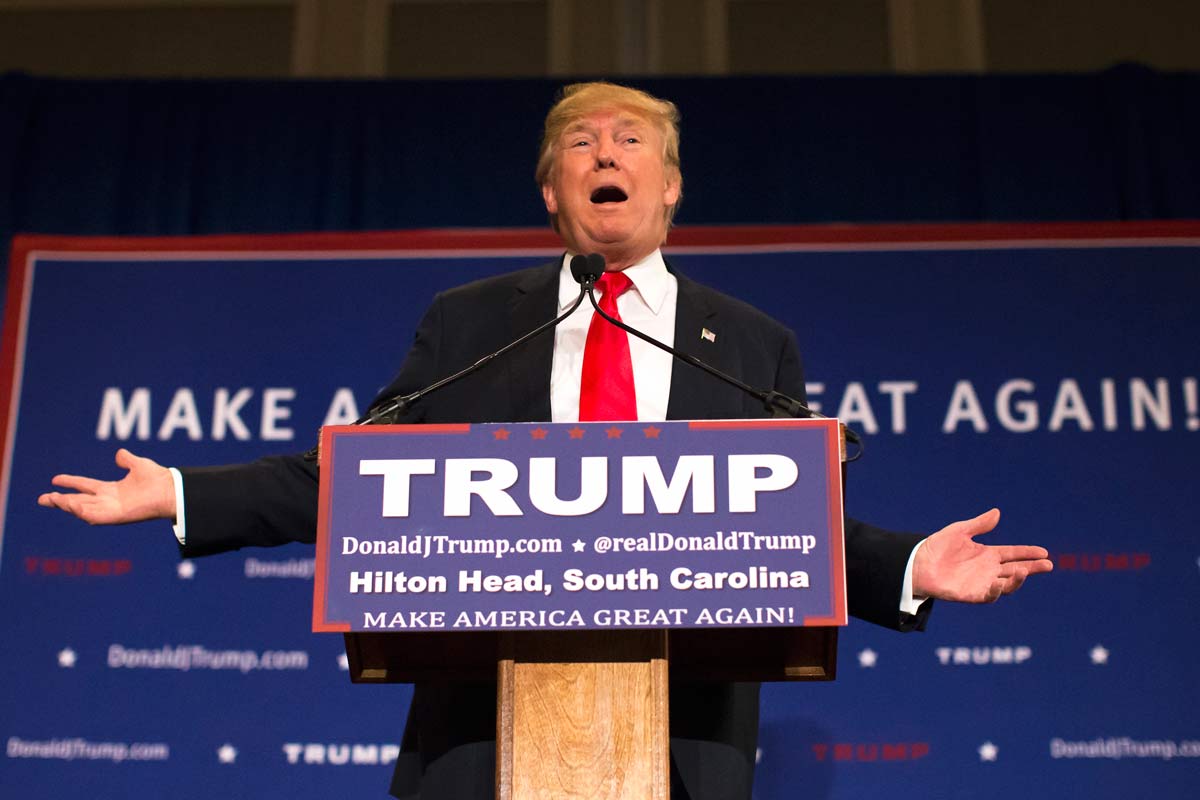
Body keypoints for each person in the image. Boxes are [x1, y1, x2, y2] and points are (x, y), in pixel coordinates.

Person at [39, 81, 1052, 799]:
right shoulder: (474, 322)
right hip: (483, 728)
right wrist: (180, 492)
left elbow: (788, 526)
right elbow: (360, 475)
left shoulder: (750, 343)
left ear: (669, 187)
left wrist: (913, 563)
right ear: (552, 194)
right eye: (580, 142)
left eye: (630, 139)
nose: (605, 152)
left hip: (683, 730)